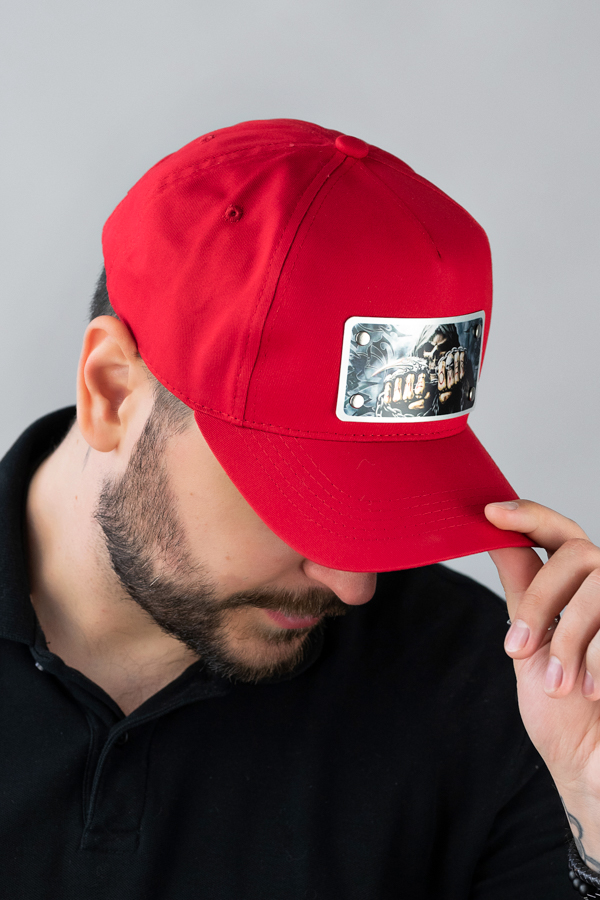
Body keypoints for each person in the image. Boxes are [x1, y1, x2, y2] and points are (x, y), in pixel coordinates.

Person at [2, 118, 599, 899]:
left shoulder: (502, 697)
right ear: (111, 392)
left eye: (382, 502)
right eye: (296, 497)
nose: (354, 585)